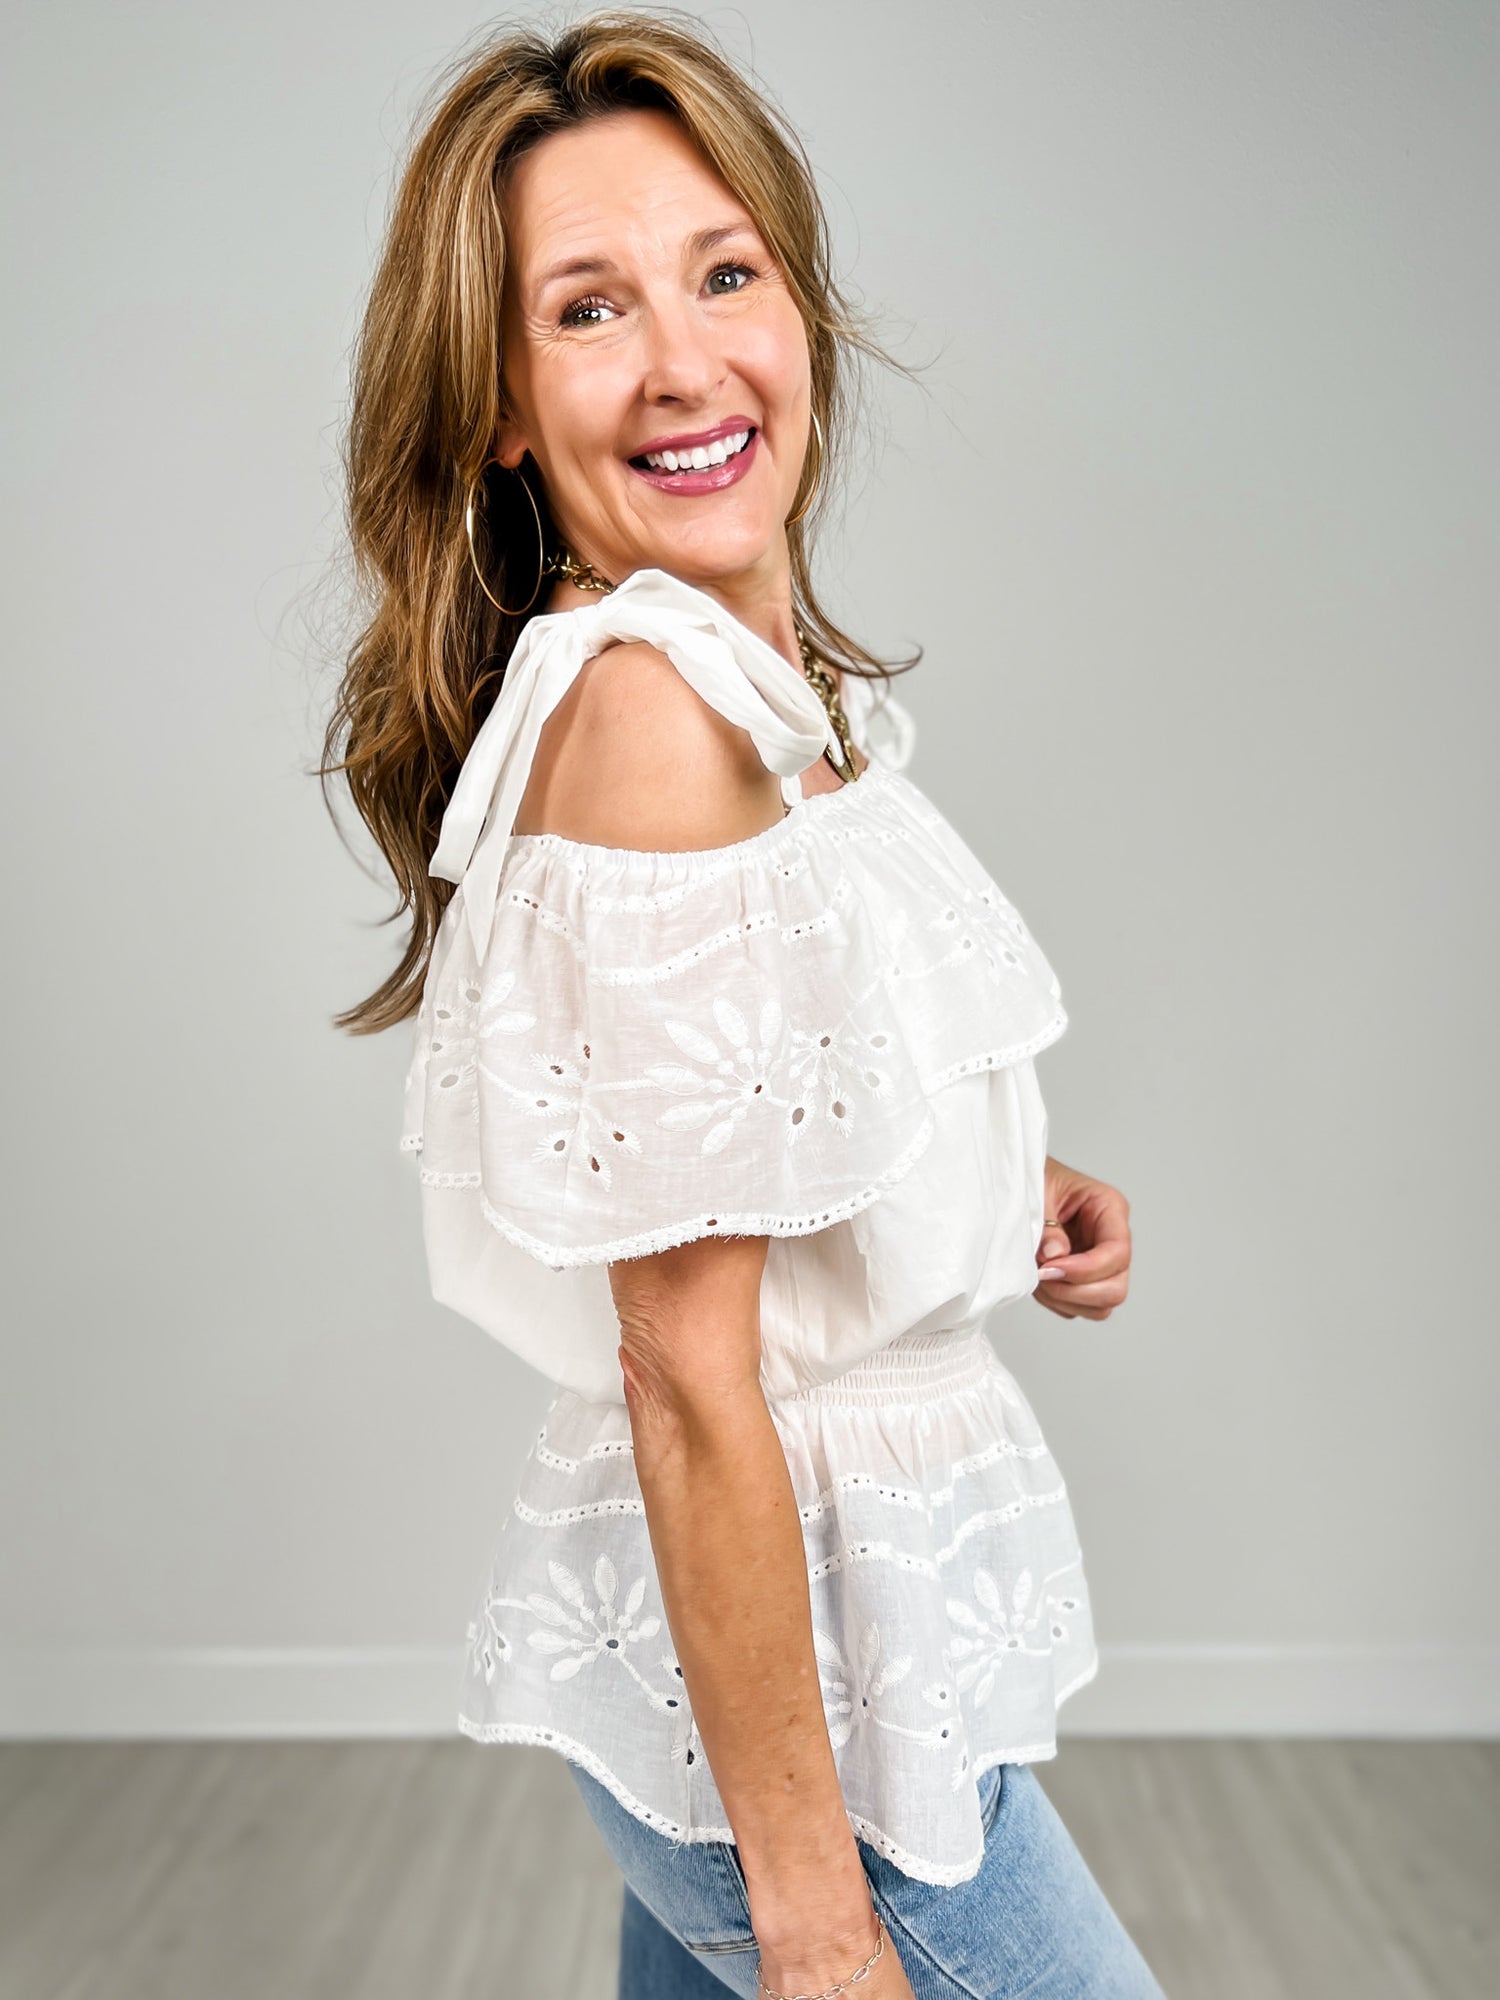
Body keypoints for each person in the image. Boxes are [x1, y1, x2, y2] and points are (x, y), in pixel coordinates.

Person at [324, 12, 1162, 1997]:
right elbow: (689, 1381)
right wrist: (816, 1924)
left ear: (800, 311)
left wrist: (992, 1186)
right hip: (832, 1719)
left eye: (723, 273)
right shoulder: (652, 721)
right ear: (501, 403)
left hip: (807, 1669)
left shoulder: (747, 696)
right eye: (588, 308)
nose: (686, 362)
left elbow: (777, 1107)